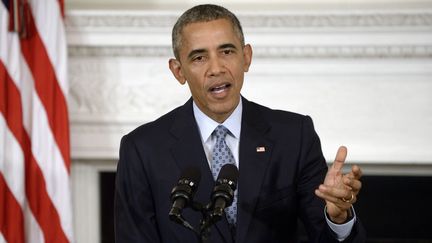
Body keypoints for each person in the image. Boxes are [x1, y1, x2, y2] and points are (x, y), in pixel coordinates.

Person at [114, 4, 366, 243]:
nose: (216, 68)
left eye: (226, 51)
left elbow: (323, 235)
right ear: (178, 71)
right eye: (199, 58)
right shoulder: (142, 149)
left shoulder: (294, 136)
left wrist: (337, 218)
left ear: (246, 57)